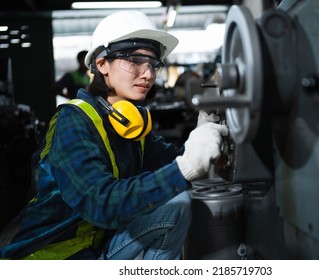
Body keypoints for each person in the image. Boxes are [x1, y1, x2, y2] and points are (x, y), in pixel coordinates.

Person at [0, 11, 228, 260]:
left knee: (176, 205)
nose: (149, 74)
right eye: (135, 61)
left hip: (98, 246)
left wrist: (202, 131)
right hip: (52, 258)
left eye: (153, 64)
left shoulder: (130, 121)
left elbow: (178, 163)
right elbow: (99, 203)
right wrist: (184, 168)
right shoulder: (73, 121)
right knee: (176, 204)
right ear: (102, 64)